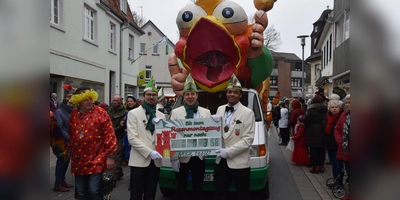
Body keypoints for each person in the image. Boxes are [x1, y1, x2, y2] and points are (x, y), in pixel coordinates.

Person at [69, 87, 117, 199]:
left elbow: (109, 135)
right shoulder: (74, 114)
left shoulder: (101, 113)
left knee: (94, 190)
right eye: (85, 99)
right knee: (81, 192)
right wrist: (68, 151)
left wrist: (110, 156)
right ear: (78, 100)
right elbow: (71, 134)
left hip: (97, 158)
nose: (89, 102)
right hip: (78, 160)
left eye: (91, 99)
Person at [169, 74, 212, 200]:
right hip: (182, 158)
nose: (190, 97)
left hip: (198, 156)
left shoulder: (206, 112)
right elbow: (172, 136)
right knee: (181, 188)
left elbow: (209, 134)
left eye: (192, 94)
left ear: (197, 95)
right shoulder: (176, 112)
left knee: (198, 187)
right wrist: (174, 159)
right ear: (184, 96)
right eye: (187, 94)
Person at [214, 74, 255, 200]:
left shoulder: (248, 113)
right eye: (229, 92)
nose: (232, 94)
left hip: (239, 163)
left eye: (235, 92)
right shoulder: (220, 109)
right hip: (220, 161)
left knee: (243, 195)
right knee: (219, 194)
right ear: (226, 94)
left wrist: (229, 151)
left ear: (240, 95)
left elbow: (248, 139)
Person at [126, 77, 166, 200]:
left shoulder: (161, 115)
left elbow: (164, 138)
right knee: (136, 193)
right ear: (143, 96)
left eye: (154, 95)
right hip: (139, 160)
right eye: (148, 94)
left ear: (157, 97)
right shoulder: (134, 113)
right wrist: (150, 152)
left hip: (156, 161)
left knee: (151, 192)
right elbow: (132, 138)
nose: (151, 97)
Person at [51, 97, 74, 192]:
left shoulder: (70, 112)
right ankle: (58, 183)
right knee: (61, 162)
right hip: (61, 142)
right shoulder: (59, 112)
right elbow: (59, 127)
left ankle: (62, 181)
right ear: (65, 103)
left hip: (68, 141)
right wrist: (68, 137)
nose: (72, 104)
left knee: (66, 162)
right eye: (70, 103)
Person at [302, 96, 328, 174]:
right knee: (322, 149)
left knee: (313, 149)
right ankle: (321, 166)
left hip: (313, 130)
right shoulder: (325, 109)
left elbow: (305, 120)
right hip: (323, 129)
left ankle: (315, 167)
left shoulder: (311, 109)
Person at [323, 98, 344, 186]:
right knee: (333, 163)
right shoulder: (327, 116)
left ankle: (339, 182)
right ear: (329, 108)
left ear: (339, 108)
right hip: (329, 143)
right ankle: (335, 179)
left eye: (336, 107)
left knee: (338, 163)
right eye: (332, 107)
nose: (334, 109)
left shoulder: (341, 116)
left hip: (337, 144)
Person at [107, 95, 127, 182]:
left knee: (117, 156)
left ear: (120, 101)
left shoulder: (124, 112)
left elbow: (123, 125)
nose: (115, 102)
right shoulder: (109, 110)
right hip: (109, 136)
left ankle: (114, 175)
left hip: (119, 135)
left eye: (117, 101)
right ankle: (119, 172)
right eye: (114, 100)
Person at [334, 94, 350, 193]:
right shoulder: (344, 115)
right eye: (346, 102)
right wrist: (340, 141)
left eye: (350, 103)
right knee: (349, 172)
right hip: (345, 149)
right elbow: (337, 129)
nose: (347, 105)